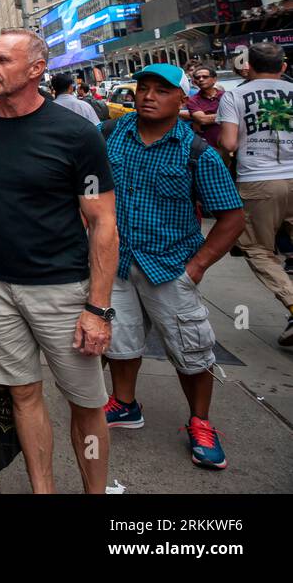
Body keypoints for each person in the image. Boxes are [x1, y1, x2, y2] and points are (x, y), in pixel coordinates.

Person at [0, 29, 117, 494]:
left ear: (35, 70)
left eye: (2, 59)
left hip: (61, 289)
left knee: (85, 402)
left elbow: (103, 222)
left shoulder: (75, 135)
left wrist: (97, 308)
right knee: (23, 394)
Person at [100, 64, 246, 469]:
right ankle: (125, 404)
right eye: (143, 88)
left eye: (161, 91)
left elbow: (232, 218)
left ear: (182, 100)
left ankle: (200, 421)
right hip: (117, 262)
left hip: (169, 268)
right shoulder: (112, 136)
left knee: (191, 351)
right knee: (121, 342)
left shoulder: (195, 151)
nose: (148, 96)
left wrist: (197, 266)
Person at [217, 41, 293, 347]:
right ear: (284, 67)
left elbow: (230, 144)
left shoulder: (234, 95)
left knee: (257, 249)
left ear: (248, 66)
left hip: (258, 182)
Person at [185, 66, 225, 151]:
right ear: (194, 81)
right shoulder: (192, 100)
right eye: (197, 77)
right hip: (208, 147)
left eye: (205, 77)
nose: (201, 79)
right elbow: (203, 119)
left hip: (230, 143)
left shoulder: (227, 96)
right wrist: (230, 115)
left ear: (214, 79)